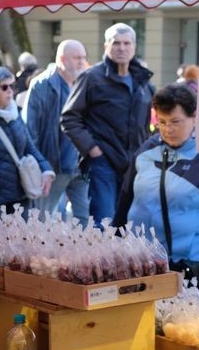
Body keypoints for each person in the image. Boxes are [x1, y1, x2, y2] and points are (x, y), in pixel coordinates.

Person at [113, 83, 199, 286]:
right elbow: (125, 199)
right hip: (140, 263)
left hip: (188, 265)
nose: (168, 129)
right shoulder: (146, 151)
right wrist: (113, 246)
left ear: (195, 117)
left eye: (176, 121)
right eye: (162, 122)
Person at [61, 23, 156, 223]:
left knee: (129, 222)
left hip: (134, 162)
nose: (122, 48)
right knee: (104, 222)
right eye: (116, 43)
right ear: (106, 46)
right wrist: (92, 149)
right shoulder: (92, 77)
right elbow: (69, 118)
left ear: (134, 47)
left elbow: (149, 120)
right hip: (103, 161)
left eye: (126, 43)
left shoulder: (142, 80)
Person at [0, 66, 54, 211]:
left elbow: (30, 147)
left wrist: (46, 170)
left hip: (22, 196)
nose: (10, 91)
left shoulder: (16, 114)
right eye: (4, 87)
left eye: (12, 85)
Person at [24, 39, 90, 219]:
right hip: (54, 166)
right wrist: (41, 166)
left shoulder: (84, 81)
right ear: (62, 59)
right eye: (77, 58)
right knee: (42, 219)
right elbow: (30, 130)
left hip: (81, 166)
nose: (81, 62)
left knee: (85, 220)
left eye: (83, 57)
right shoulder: (42, 85)